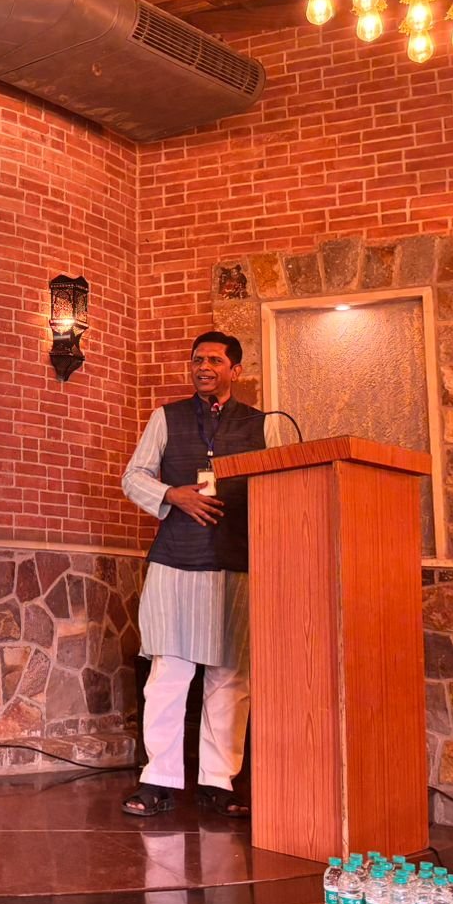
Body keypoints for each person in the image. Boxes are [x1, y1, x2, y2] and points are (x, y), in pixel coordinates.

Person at [120, 330, 280, 819]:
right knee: (169, 673)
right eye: (197, 360)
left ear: (235, 369)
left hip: (237, 561)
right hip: (177, 561)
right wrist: (173, 495)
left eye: (214, 360)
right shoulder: (166, 417)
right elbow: (133, 476)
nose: (203, 367)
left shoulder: (262, 424)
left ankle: (218, 782)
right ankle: (159, 779)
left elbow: (282, 484)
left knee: (230, 676)